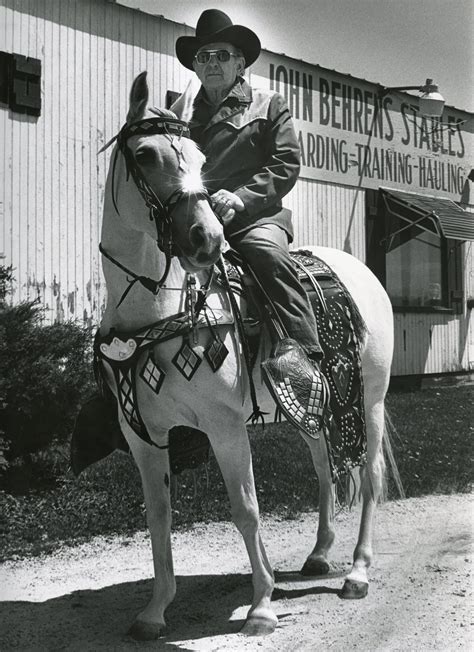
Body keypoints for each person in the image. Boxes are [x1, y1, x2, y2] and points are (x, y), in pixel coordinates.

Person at [176, 10, 330, 433]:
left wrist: (241, 199)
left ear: (240, 63)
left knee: (265, 255)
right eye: (203, 55)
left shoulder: (268, 104)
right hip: (202, 218)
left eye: (221, 55)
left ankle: (302, 354)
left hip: (257, 216)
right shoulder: (182, 115)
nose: (211, 63)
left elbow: (286, 164)